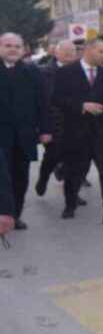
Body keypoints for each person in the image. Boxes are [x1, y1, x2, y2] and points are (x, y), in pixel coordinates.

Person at [51, 39, 103, 225]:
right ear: (88, 50)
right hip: (75, 134)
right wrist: (82, 106)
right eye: (101, 52)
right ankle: (70, 205)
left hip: (101, 133)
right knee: (74, 172)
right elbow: (56, 99)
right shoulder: (65, 73)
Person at [0, 33, 49, 230]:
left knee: (21, 177)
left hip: (25, 134)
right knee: (3, 177)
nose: (13, 49)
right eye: (8, 45)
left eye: (17, 46)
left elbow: (43, 103)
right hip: (1, 134)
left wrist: (45, 130)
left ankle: (15, 214)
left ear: (24, 49)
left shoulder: (33, 72)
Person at [36, 40, 78, 197]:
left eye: (72, 50)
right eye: (65, 50)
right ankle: (43, 179)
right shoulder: (43, 72)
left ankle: (72, 194)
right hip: (52, 121)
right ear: (56, 53)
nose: (68, 53)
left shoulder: (79, 71)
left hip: (74, 122)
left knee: (73, 160)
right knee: (52, 156)